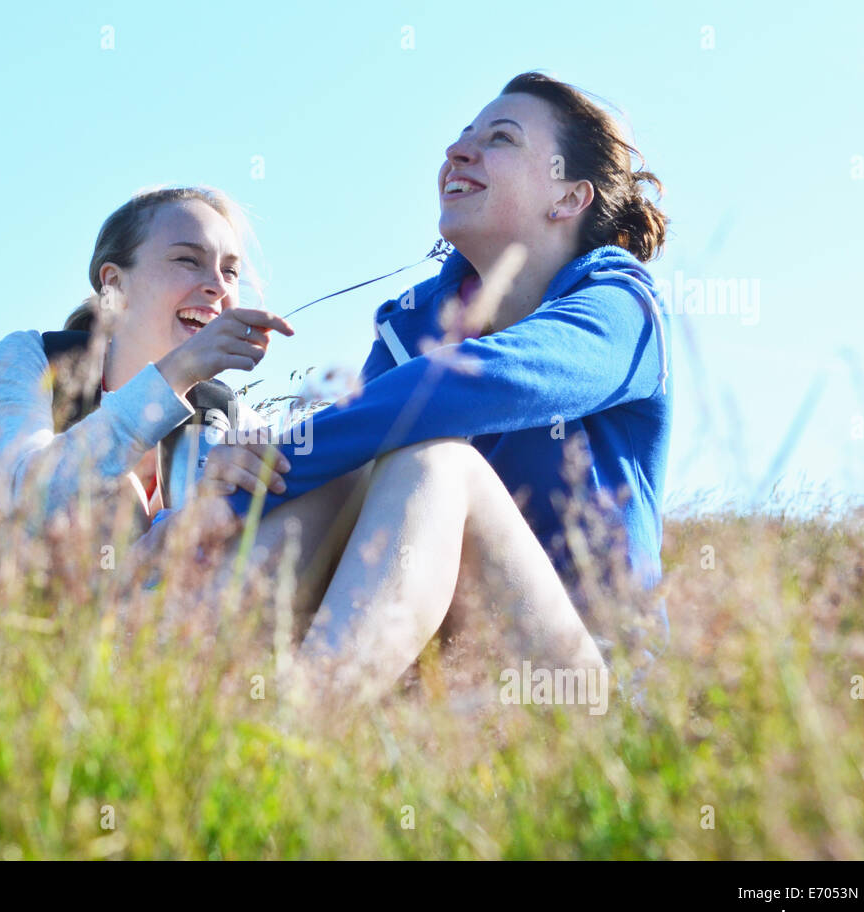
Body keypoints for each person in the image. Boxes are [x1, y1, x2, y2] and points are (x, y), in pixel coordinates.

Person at [195, 72, 673, 710]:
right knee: (332, 473)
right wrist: (240, 476)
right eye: (460, 137)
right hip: (447, 677)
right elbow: (347, 459)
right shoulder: (413, 323)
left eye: (500, 139)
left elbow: (464, 385)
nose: (457, 152)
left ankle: (291, 734)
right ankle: (179, 700)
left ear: (568, 196)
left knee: (434, 459)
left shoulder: (620, 309)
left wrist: (229, 502)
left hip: (582, 691)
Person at [0, 185, 291, 612]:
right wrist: (176, 372)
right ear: (114, 284)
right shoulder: (33, 362)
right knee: (115, 497)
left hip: (133, 646)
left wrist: (219, 498)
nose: (215, 286)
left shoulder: (230, 420)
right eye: (188, 260)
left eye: (230, 271)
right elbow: (30, 499)